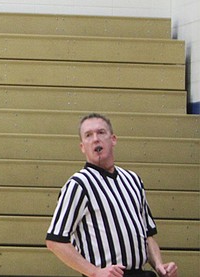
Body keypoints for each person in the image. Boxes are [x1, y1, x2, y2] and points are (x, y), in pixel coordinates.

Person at [45, 114, 179, 277]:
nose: (95, 139)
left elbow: (147, 234)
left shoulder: (133, 180)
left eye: (101, 133)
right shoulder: (79, 184)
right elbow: (55, 241)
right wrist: (94, 272)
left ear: (113, 139)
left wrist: (159, 265)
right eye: (88, 135)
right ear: (82, 147)